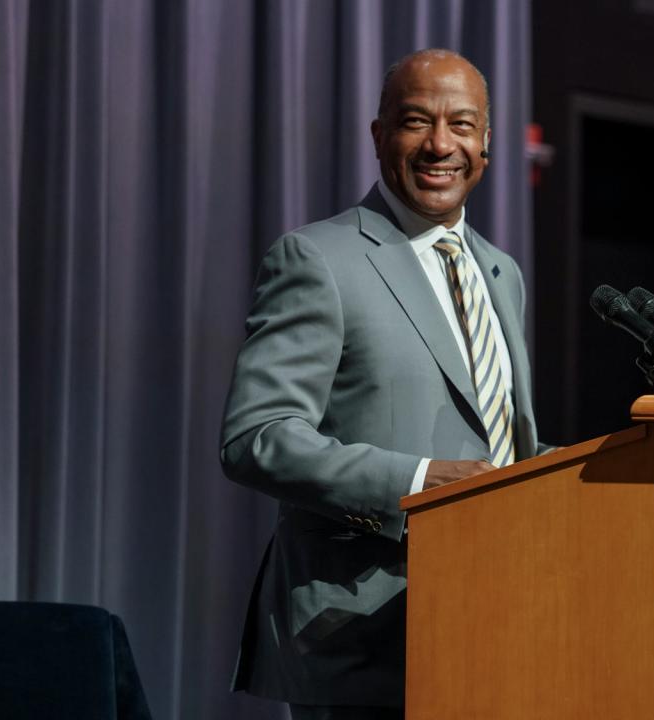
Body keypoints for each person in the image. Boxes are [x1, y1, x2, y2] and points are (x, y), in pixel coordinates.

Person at [219, 49, 549, 720]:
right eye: (416, 121)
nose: (440, 145)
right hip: (359, 638)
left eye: (461, 125)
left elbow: (500, 445)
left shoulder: (501, 272)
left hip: (495, 621)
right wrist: (418, 481)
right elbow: (257, 437)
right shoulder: (319, 259)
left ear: (486, 143)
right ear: (379, 135)